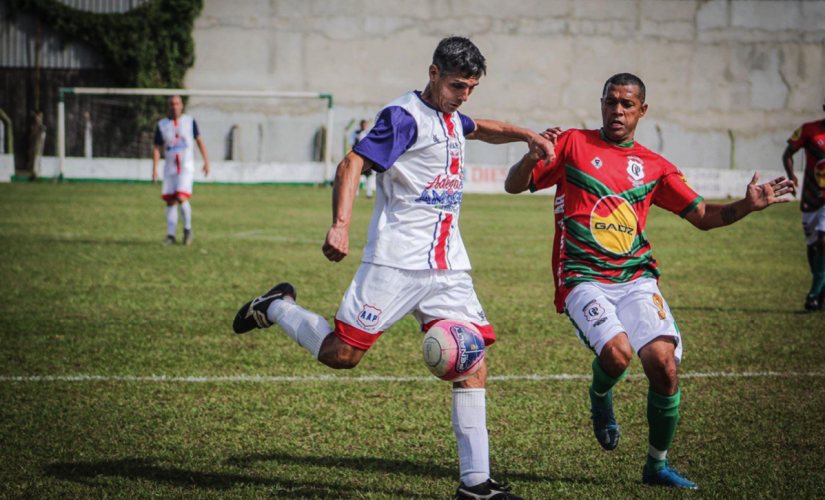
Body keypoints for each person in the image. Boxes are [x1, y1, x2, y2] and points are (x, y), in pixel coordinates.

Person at [232, 36, 555, 500]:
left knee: (473, 362)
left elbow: (479, 128)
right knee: (342, 355)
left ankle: (475, 484)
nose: (464, 95)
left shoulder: (450, 116)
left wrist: (526, 135)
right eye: (457, 85)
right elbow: (351, 163)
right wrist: (340, 224)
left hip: (447, 266)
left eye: (471, 88)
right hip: (395, 262)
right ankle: (279, 306)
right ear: (433, 74)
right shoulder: (403, 117)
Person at [504, 73, 793, 490]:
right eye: (610, 102)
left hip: (637, 279)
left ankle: (656, 466)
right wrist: (531, 158)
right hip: (582, 277)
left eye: (626, 104)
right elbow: (515, 185)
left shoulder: (655, 167)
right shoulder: (571, 143)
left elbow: (703, 216)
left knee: (664, 366)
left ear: (642, 109)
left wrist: (746, 205)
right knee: (618, 356)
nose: (617, 111)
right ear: (601, 103)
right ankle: (600, 396)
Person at [782, 99, 825, 311]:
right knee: (812, 246)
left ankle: (813, 295)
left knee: (822, 242)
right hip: (811, 197)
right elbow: (788, 152)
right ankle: (820, 284)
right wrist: (792, 176)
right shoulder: (809, 130)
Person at [152, 95, 210, 245]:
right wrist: (155, 169)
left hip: (186, 167)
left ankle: (187, 229)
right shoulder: (162, 125)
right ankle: (171, 235)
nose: (174, 107)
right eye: (172, 104)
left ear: (181, 105)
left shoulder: (189, 121)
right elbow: (157, 148)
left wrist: (206, 161)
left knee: (181, 197)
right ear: (168, 107)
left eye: (177, 104)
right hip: (170, 168)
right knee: (170, 201)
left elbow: (199, 141)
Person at [350, 119, 376, 198]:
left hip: (367, 156)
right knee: (357, 174)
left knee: (369, 176)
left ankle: (369, 192)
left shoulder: (369, 133)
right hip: (358, 156)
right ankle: (356, 192)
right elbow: (351, 143)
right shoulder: (355, 133)